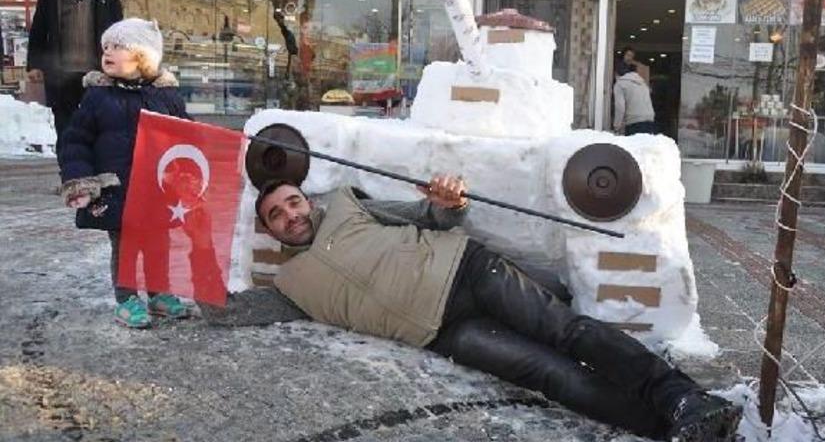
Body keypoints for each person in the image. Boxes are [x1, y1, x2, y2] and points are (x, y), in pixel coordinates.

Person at [250, 175, 742, 441]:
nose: (290, 215)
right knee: (552, 376)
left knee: (569, 333)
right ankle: (672, 430)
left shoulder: (345, 206)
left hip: (468, 272)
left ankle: (682, 397)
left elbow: (432, 216)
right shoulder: (289, 283)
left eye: (293, 202)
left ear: (306, 200)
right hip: (442, 331)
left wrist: (449, 200)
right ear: (269, 232)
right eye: (277, 215)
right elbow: (232, 308)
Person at [58, 18, 191, 329]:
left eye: (118, 46)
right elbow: (75, 141)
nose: (108, 52)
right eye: (106, 46)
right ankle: (127, 299)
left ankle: (159, 293)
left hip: (157, 189)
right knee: (126, 246)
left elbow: (187, 136)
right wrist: (81, 179)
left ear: (142, 56)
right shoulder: (97, 97)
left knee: (159, 243)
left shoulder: (166, 97)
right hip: (118, 189)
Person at [26, 0, 123, 157]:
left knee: (97, 129)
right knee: (66, 130)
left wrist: (120, 67)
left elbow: (119, 35)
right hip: (60, 75)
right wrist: (34, 64)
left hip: (97, 75)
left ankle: (95, 177)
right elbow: (38, 30)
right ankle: (70, 180)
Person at [614, 62, 659, 135]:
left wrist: (617, 126)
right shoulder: (642, 83)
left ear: (616, 74)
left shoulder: (620, 84)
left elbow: (620, 106)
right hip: (650, 119)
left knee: (633, 145)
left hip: (634, 122)